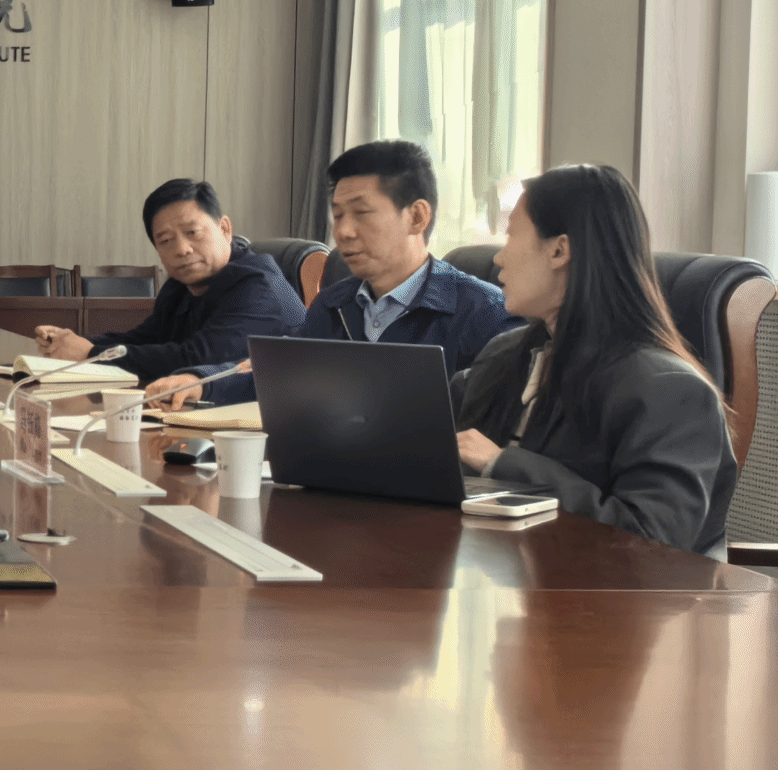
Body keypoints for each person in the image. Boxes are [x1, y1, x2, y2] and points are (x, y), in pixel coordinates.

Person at [453, 163, 736, 555]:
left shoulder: (673, 391)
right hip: (500, 573)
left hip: (609, 591)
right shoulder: (503, 356)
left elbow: (652, 542)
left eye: (511, 235)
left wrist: (502, 465)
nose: (499, 258)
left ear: (559, 250)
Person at [145, 140, 517, 409]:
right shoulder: (334, 304)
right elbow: (280, 371)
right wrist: (201, 382)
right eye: (337, 215)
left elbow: (490, 435)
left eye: (361, 213)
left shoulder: (487, 315)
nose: (344, 231)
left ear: (417, 217)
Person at [31, 178, 305, 383]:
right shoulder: (180, 285)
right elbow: (146, 338)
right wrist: (74, 342)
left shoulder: (259, 287)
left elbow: (198, 360)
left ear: (224, 229)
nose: (182, 249)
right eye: (165, 240)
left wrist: (90, 353)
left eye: (192, 232)